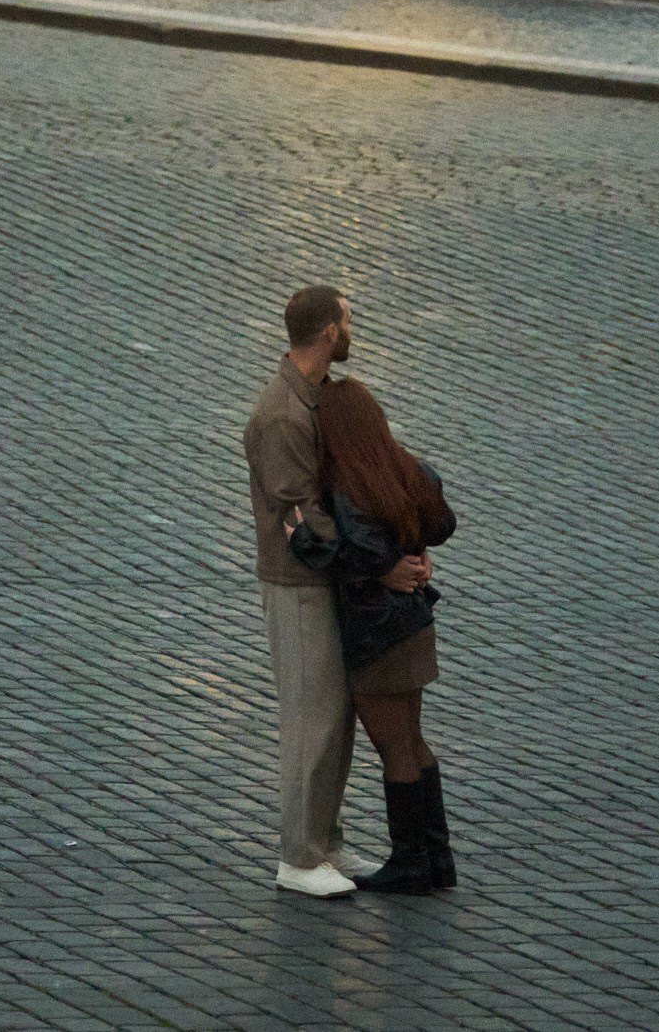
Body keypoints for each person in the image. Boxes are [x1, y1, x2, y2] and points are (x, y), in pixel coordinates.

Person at [242, 285, 430, 899]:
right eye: (348, 320)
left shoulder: (315, 401)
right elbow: (305, 522)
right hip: (298, 587)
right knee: (312, 717)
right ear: (327, 333)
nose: (352, 329)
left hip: (325, 580)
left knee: (335, 714)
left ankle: (323, 841)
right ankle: (299, 856)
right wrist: (380, 568)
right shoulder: (283, 416)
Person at [285, 376, 457, 896]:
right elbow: (443, 522)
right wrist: (417, 549)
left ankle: (409, 862)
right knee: (413, 741)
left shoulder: (349, 485)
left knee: (395, 749)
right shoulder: (406, 467)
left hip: (377, 634)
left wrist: (307, 544)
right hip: (414, 627)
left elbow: (358, 551)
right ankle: (436, 859)